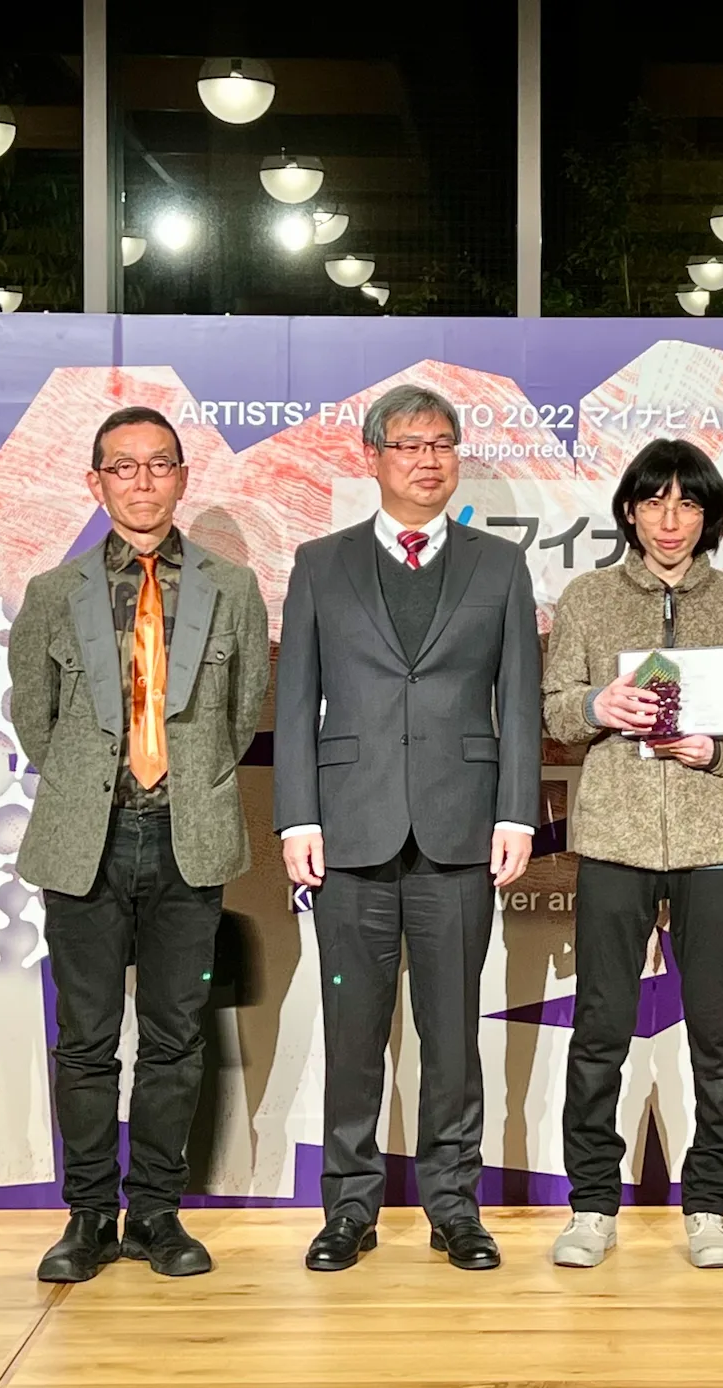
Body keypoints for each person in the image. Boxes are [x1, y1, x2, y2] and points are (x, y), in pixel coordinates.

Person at [274, 383, 540, 1273]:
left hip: (462, 832)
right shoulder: (321, 563)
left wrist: (516, 810)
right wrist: (296, 815)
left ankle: (454, 1206)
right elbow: (296, 699)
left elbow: (519, 701)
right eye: (410, 445)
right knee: (353, 1031)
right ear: (373, 458)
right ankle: (347, 1208)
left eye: (442, 444)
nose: (429, 460)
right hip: (349, 830)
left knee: (453, 1034)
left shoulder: (500, 567)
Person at [10, 405, 270, 1283]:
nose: (143, 481)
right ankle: (88, 1216)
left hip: (187, 837)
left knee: (174, 1037)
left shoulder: (232, 588)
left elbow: (240, 716)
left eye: (159, 464)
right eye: (123, 467)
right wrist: (99, 786)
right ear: (97, 483)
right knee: (85, 1039)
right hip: (84, 838)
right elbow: (37, 721)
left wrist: (181, 784)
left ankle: (156, 1213)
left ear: (183, 478)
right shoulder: (55, 592)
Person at [540, 439, 723, 1270]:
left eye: (688, 503)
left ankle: (711, 1206)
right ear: (630, 510)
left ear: (709, 517)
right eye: (655, 501)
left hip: (713, 843)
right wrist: (598, 704)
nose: (670, 519)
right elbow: (555, 710)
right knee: (600, 1030)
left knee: (719, 1034)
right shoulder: (587, 600)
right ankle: (591, 1205)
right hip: (615, 842)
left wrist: (719, 751)